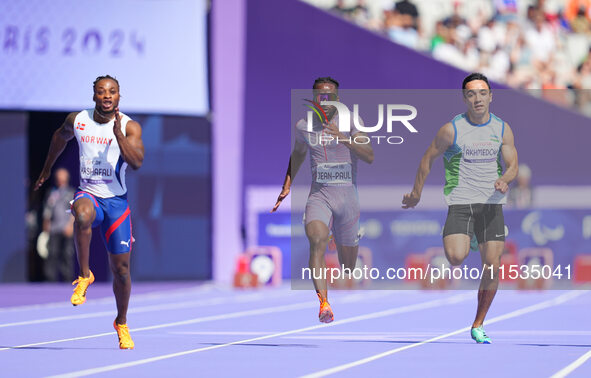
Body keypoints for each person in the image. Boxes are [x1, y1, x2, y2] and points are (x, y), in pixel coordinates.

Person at [402, 73, 518, 344]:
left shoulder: (502, 128)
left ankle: (478, 323)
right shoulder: (451, 130)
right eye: (471, 94)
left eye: (482, 93)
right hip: (461, 203)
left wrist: (505, 179)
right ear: (464, 98)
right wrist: (416, 193)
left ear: (491, 96)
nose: (477, 98)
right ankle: (472, 239)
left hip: (491, 204)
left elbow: (512, 164)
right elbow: (427, 159)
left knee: (492, 265)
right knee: (455, 258)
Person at [34, 75, 144, 349]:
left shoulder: (130, 126)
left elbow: (138, 162)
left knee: (121, 271)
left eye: (113, 92)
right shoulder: (78, 120)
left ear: (119, 96)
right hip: (89, 195)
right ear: (94, 96)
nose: (107, 96)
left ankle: (121, 322)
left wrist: (118, 135)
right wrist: (47, 168)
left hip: (117, 204)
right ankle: (84, 275)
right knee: (81, 215)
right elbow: (59, 137)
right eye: (101, 92)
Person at [272, 77, 374, 323]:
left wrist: (342, 137)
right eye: (321, 96)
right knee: (315, 240)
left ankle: (339, 237)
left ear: (338, 99)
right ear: (314, 98)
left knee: (348, 266)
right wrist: (287, 186)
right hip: (320, 195)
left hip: (347, 196)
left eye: (330, 97)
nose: (325, 101)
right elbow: (297, 155)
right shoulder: (303, 126)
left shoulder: (351, 121)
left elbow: (369, 155)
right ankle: (324, 304)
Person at [42, 168, 75, 282]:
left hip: (66, 228)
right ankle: (50, 279)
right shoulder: (52, 193)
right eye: (58, 178)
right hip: (54, 228)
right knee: (52, 253)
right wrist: (46, 224)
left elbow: (74, 211)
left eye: (62, 178)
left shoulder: (71, 193)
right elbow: (47, 210)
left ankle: (67, 278)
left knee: (67, 254)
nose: (60, 180)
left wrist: (70, 225)